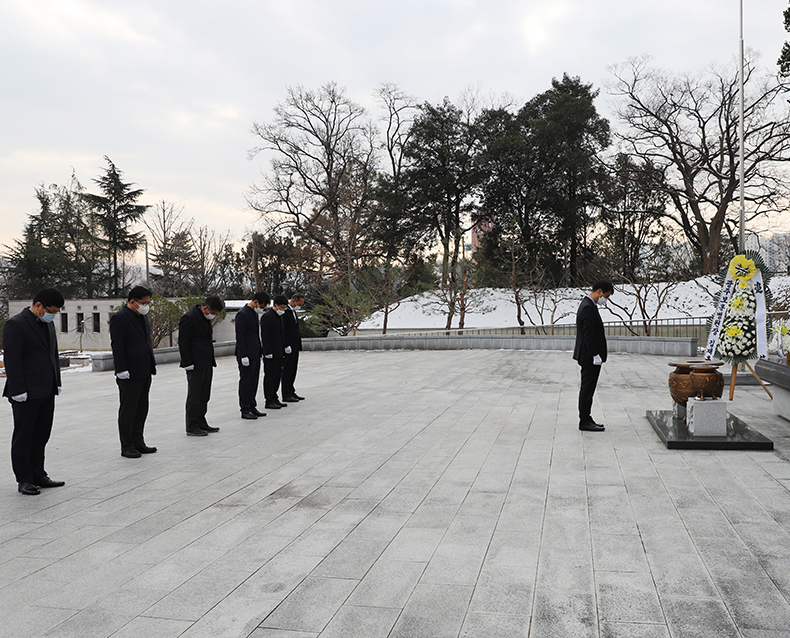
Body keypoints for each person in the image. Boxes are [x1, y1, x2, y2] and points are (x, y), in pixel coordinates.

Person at [3, 288, 66, 495]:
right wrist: (18, 390)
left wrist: (56, 381)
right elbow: (12, 362)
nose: (53, 315)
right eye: (51, 310)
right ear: (38, 305)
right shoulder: (16, 324)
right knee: (24, 436)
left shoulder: (47, 323)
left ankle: (38, 473)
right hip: (26, 393)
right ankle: (24, 479)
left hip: (46, 390)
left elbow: (53, 354)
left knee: (41, 435)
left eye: (56, 312)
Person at [110, 285, 158, 458]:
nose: (147, 305)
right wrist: (121, 369)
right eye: (144, 303)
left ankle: (138, 440)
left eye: (148, 302)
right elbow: (118, 346)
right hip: (129, 372)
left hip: (144, 369)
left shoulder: (142, 317)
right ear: (132, 302)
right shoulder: (120, 318)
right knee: (129, 409)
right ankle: (127, 444)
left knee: (142, 408)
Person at [179, 296, 224, 436]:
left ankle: (201, 421)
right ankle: (192, 425)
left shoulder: (205, 318)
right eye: (213, 312)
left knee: (204, 394)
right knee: (195, 395)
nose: (213, 315)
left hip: (206, 361)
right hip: (194, 363)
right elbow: (183, 341)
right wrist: (187, 362)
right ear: (205, 308)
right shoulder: (189, 318)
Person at [573, 280, 614, 432]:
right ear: (599, 291)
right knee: (587, 389)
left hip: (588, 356)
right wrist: (595, 355)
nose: (606, 299)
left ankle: (586, 418)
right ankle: (584, 420)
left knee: (588, 388)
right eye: (606, 296)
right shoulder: (588, 308)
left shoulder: (588, 305)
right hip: (589, 357)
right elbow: (589, 335)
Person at [235, 292, 270, 420]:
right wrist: (243, 355)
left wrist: (260, 352)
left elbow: (256, 335)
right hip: (246, 354)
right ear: (255, 301)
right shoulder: (242, 314)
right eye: (261, 305)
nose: (261, 307)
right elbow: (240, 336)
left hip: (255, 352)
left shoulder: (254, 314)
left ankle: (252, 405)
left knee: (254, 381)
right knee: (246, 382)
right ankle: (245, 409)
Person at [261, 295, 289, 410]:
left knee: (277, 376)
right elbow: (265, 335)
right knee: (270, 377)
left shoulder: (279, 317)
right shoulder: (267, 317)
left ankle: (274, 397)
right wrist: (267, 351)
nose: (283, 310)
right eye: (282, 307)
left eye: (285, 308)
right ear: (275, 305)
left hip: (279, 351)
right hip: (271, 352)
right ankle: (269, 400)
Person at [281, 293, 305, 402]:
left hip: (294, 345)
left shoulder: (292, 311)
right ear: (294, 301)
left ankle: (291, 390)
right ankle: (286, 393)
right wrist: (286, 345)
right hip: (289, 346)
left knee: (293, 369)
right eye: (299, 303)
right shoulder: (285, 312)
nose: (299, 306)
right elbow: (284, 330)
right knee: (287, 370)